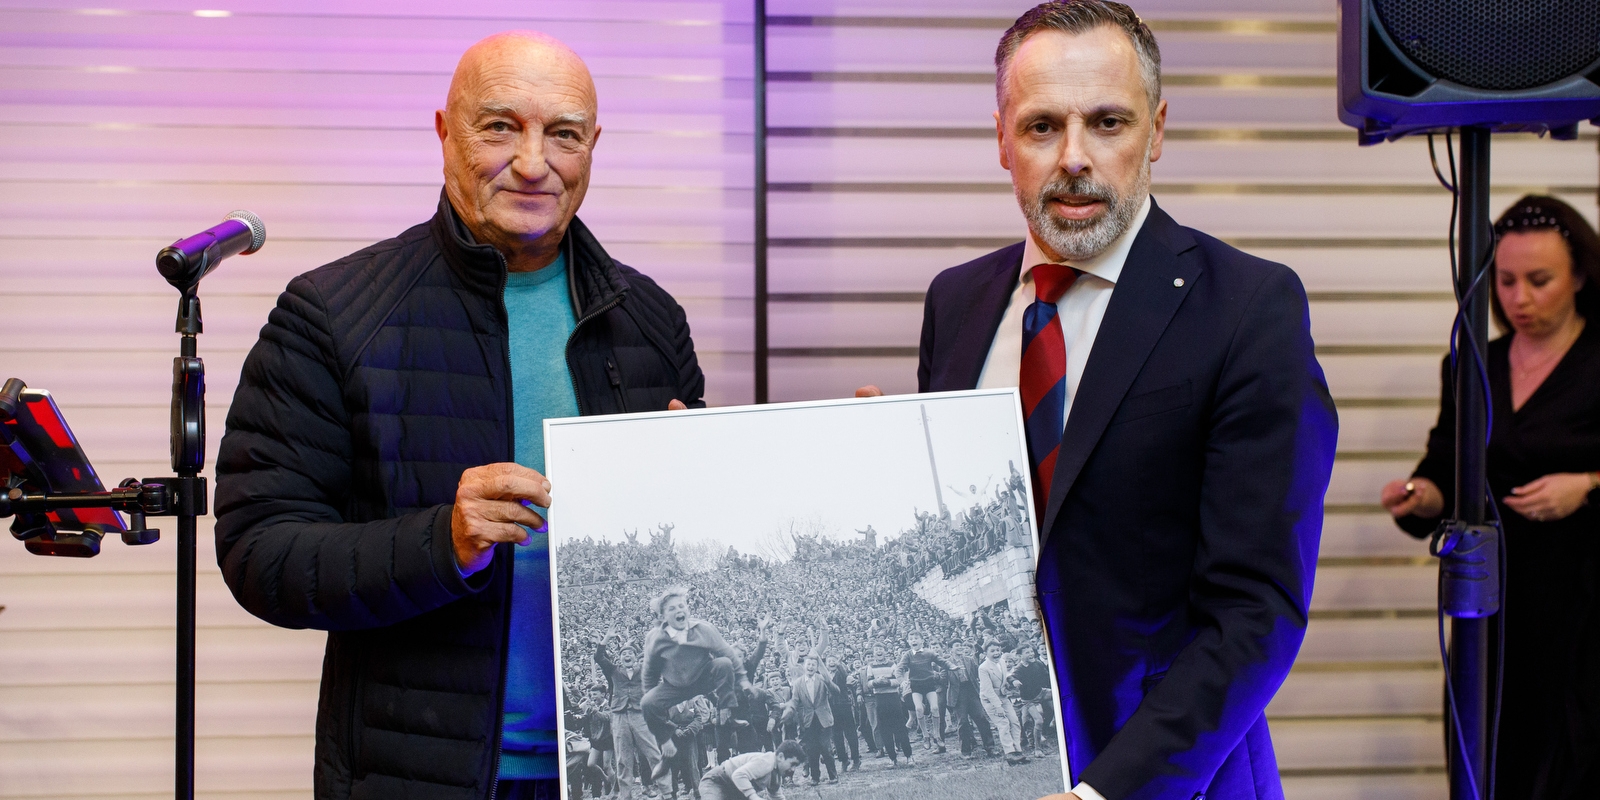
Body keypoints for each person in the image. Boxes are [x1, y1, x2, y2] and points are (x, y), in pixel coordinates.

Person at [212, 30, 705, 799]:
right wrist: (443, 541)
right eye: (501, 126)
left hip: (613, 776)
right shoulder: (333, 315)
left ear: (593, 147)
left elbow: (690, 547)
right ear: (445, 132)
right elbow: (260, 554)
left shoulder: (650, 320)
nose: (534, 162)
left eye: (564, 135)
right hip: (422, 776)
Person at [860, 2, 1337, 797]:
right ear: (1002, 140)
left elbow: (1257, 614)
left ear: (1155, 132)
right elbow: (977, 543)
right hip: (1000, 767)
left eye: (1107, 122)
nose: (1074, 156)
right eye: (1042, 126)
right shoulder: (958, 301)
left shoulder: (1249, 307)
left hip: (1169, 779)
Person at [1380, 195, 1600, 798]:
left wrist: (1587, 487)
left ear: (1579, 274)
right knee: (1490, 756)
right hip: (1497, 604)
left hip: (1582, 606)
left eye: (1539, 281)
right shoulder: (1475, 361)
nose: (1519, 300)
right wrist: (1422, 495)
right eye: (1505, 281)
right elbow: (1448, 463)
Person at [642, 587, 750, 762]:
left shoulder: (704, 629)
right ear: (663, 617)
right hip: (675, 686)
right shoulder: (655, 638)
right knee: (647, 702)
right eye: (672, 609)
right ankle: (664, 740)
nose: (678, 611)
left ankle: (728, 713)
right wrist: (656, 704)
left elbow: (728, 654)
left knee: (724, 664)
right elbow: (650, 674)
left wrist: (742, 681)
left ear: (687, 608)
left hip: (702, 679)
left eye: (681, 606)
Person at [596, 636, 666, 799]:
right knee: (623, 759)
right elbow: (599, 657)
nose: (627, 655)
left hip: (640, 715)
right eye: (624, 653)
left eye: (630, 653)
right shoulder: (613, 670)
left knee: (654, 754)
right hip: (620, 716)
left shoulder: (643, 670)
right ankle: (625, 795)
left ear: (636, 658)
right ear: (619, 659)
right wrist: (606, 638)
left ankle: (666, 792)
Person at [894, 631, 952, 754]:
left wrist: (951, 666)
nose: (913, 640)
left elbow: (942, 661)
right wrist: (902, 681)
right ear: (908, 642)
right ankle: (926, 736)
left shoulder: (929, 653)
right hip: (916, 686)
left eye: (916, 638)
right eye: (911, 638)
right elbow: (899, 669)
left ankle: (937, 735)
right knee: (919, 709)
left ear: (922, 641)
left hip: (929, 685)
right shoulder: (908, 655)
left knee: (935, 708)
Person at [944, 637, 998, 758]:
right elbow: (942, 679)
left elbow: (979, 673)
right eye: (956, 645)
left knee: (982, 718)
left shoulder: (969, 660)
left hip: (972, 691)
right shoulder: (946, 663)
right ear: (950, 649)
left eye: (960, 645)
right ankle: (966, 751)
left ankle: (990, 748)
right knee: (963, 722)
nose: (959, 647)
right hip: (958, 695)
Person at [863, 641, 915, 767]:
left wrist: (885, 682)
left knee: (900, 728)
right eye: (876, 650)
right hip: (880, 699)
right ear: (874, 653)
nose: (879, 652)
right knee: (885, 730)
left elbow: (898, 680)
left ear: (885, 651)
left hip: (893, 698)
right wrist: (877, 681)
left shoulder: (892, 664)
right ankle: (892, 759)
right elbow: (869, 684)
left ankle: (909, 756)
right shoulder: (871, 666)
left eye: (881, 649)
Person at [697, 741, 804, 800]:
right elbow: (738, 775)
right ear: (781, 757)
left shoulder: (776, 778)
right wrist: (753, 796)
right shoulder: (768, 761)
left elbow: (777, 797)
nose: (793, 769)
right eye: (792, 764)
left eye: (796, 766)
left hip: (737, 792)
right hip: (717, 782)